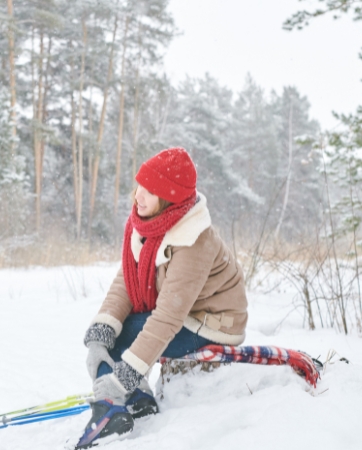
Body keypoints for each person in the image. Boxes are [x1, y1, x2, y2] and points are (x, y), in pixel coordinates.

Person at [73, 148, 248, 449]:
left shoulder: (194, 239)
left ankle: (110, 405)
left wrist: (122, 377)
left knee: (126, 334)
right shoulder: (147, 225)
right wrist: (100, 335)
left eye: (150, 191)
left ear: (168, 199)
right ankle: (138, 398)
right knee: (112, 332)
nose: (138, 196)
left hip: (211, 324)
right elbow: (126, 283)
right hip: (187, 315)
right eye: (139, 185)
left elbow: (168, 317)